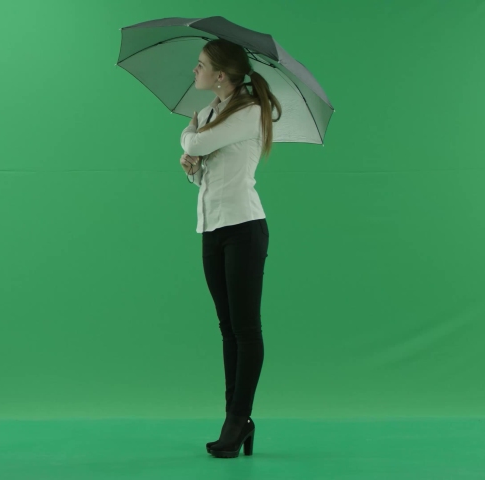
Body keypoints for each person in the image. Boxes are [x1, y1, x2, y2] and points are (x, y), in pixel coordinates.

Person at [179, 38, 282, 459]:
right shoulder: (209, 113)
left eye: (200, 65)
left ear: (220, 75)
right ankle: (234, 419)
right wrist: (193, 172)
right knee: (226, 327)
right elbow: (204, 173)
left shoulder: (250, 112)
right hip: (212, 228)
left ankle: (238, 419)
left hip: (244, 228)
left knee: (245, 329)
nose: (195, 71)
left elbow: (195, 144)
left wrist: (190, 139)